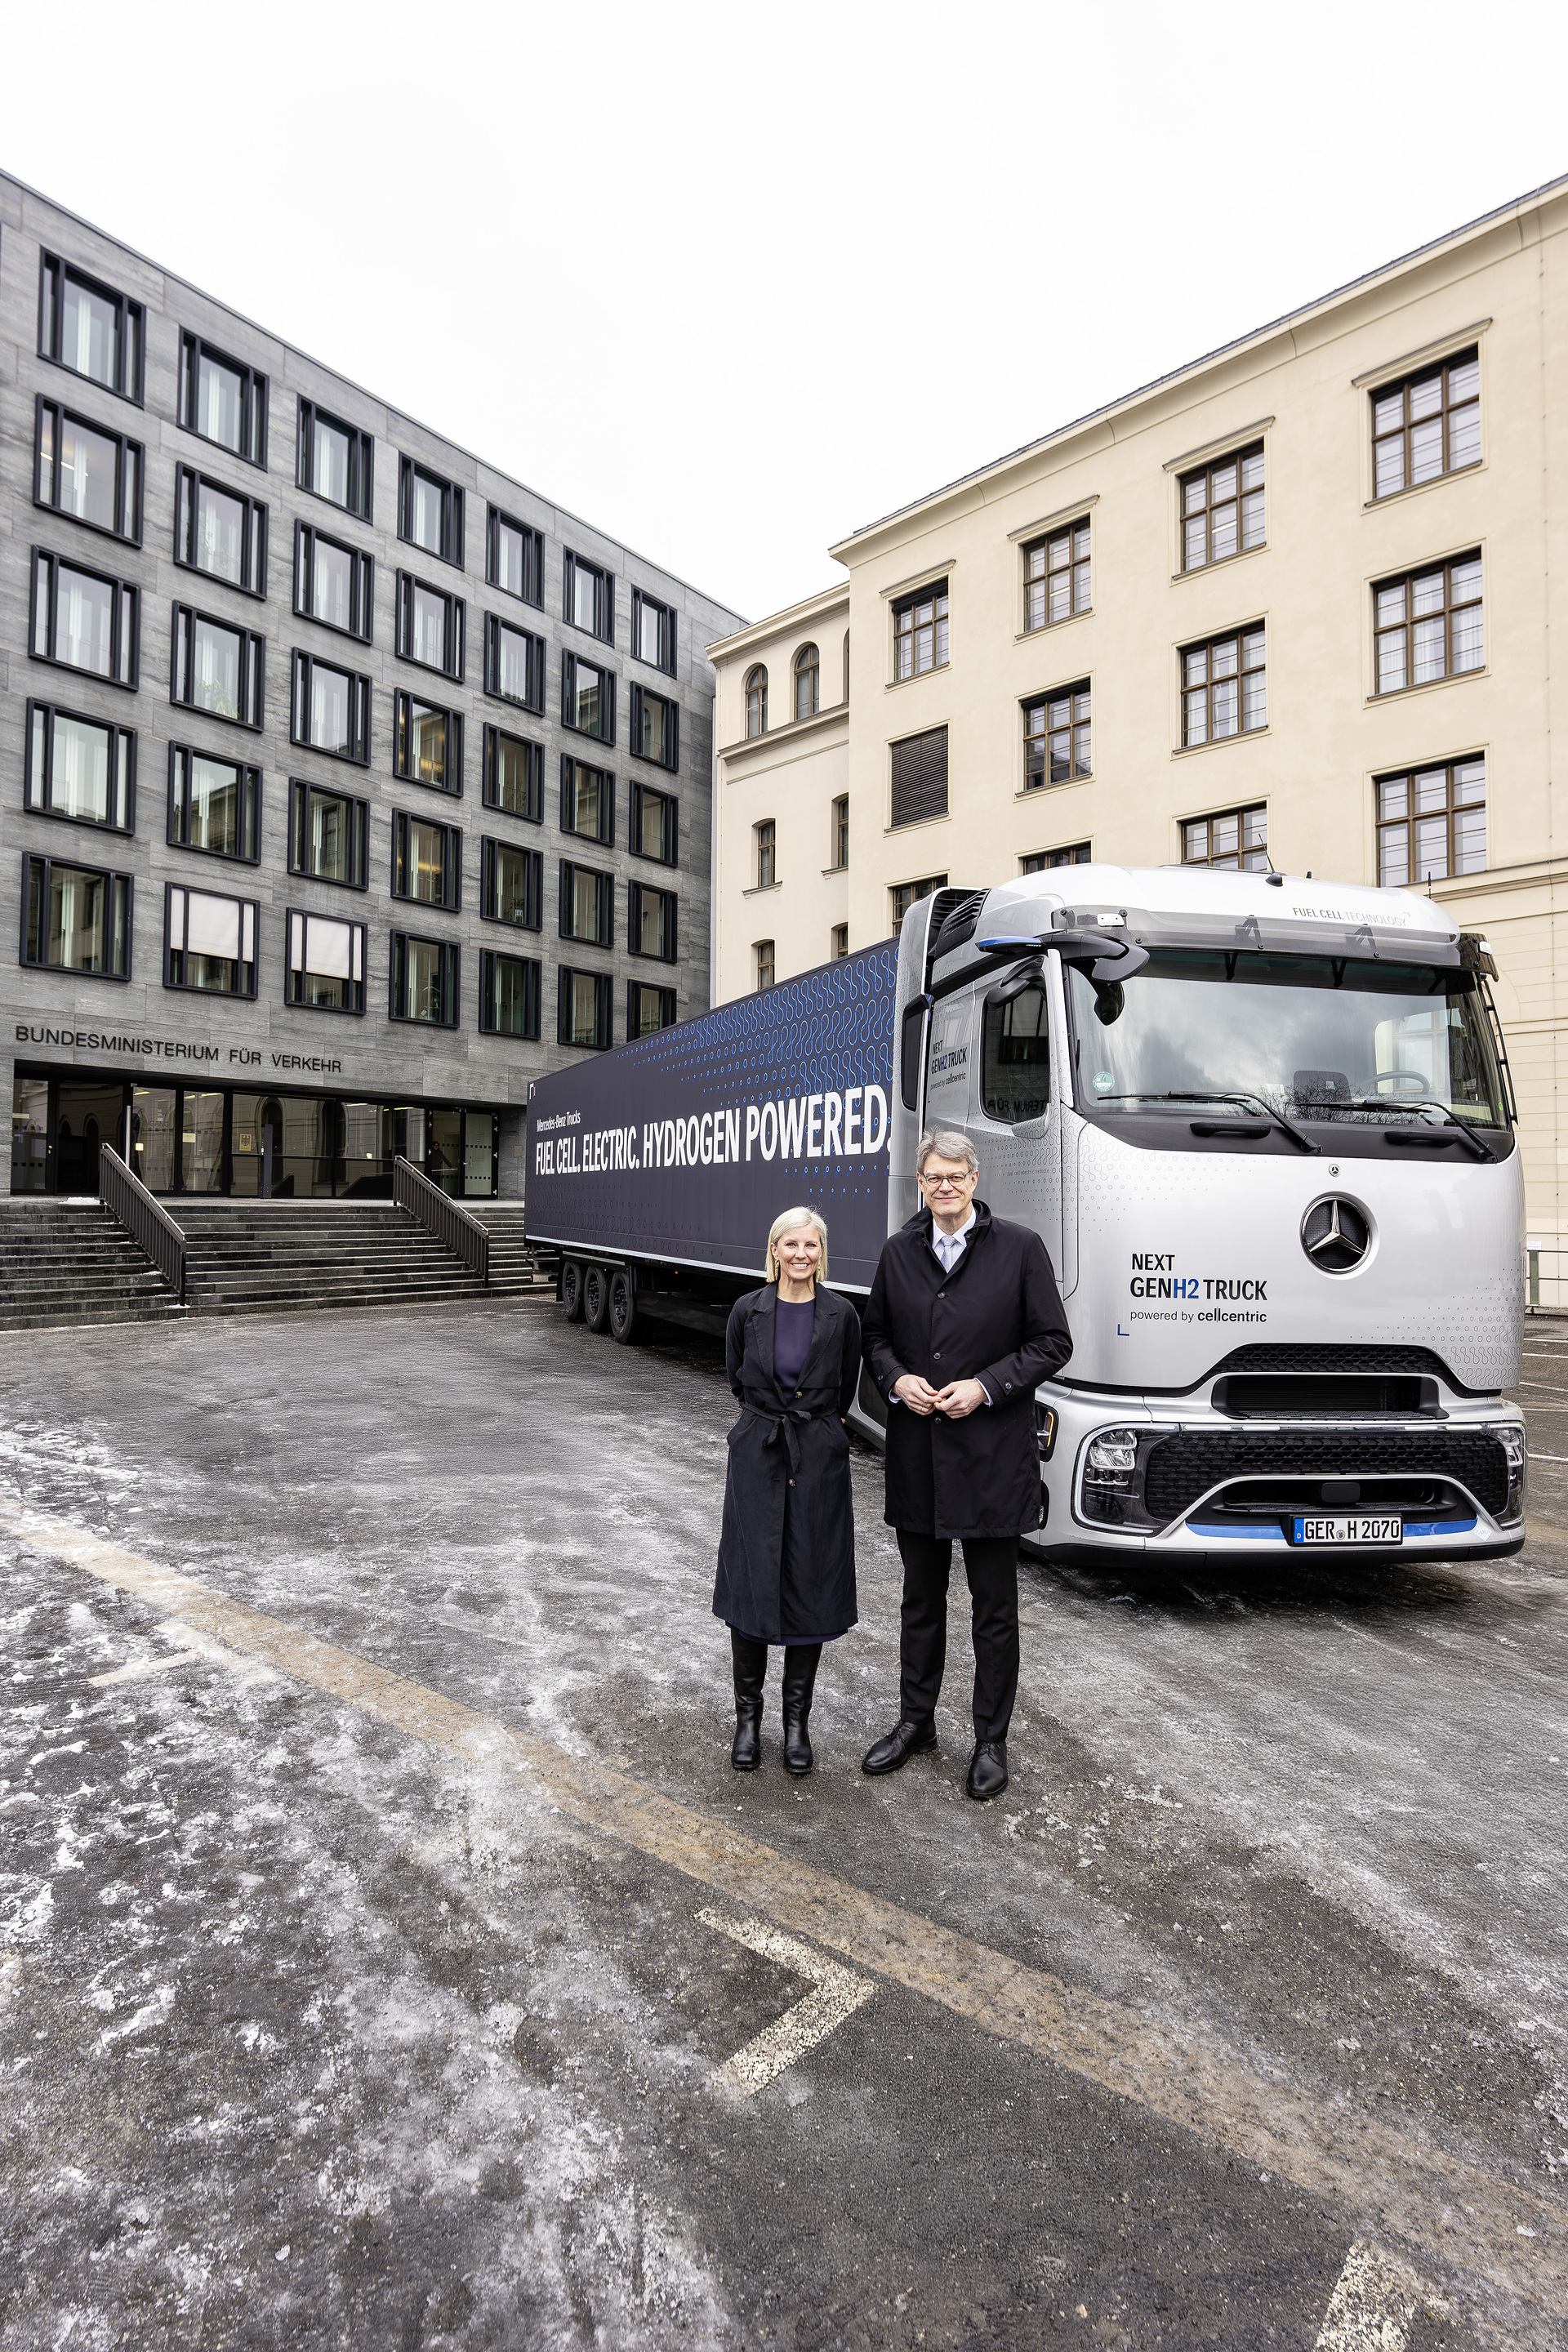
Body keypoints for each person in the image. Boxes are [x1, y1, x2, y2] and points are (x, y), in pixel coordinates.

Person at [860, 1130, 1071, 1802]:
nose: (944, 1187)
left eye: (955, 1176)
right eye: (933, 1178)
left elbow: (1052, 1343)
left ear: (974, 1179)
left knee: (993, 1609)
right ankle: (916, 1722)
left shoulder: (1019, 1249)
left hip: (990, 1459)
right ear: (920, 1183)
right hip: (919, 1456)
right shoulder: (899, 1253)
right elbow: (874, 1338)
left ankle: (990, 1740)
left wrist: (986, 1386)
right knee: (920, 1601)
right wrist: (897, 1382)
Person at [713, 1208, 862, 1775]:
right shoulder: (747, 1311)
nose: (802, 1254)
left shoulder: (842, 1314)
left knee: (811, 1580)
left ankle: (795, 1724)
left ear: (822, 1253)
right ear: (774, 1249)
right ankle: (747, 1722)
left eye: (811, 1245)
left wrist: (816, 1431)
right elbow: (736, 1379)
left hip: (818, 1458)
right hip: (757, 1455)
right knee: (751, 1579)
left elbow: (845, 1385)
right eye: (791, 1244)